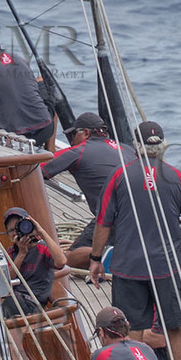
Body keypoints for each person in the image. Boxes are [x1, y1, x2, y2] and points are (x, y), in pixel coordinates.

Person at [88, 120, 181, 360]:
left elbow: (103, 222)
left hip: (128, 268)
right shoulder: (179, 179)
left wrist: (95, 259)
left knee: (131, 329)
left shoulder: (119, 176)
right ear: (163, 146)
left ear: (136, 146)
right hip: (168, 268)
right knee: (175, 327)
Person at [41, 111, 135, 267]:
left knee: (68, 258)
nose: (71, 141)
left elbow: (39, 169)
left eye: (73, 136)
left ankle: (116, 255)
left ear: (85, 133)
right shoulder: (127, 149)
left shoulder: (80, 151)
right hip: (144, 213)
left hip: (114, 217)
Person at [0, 30, 52, 148]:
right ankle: (50, 150)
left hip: (8, 137)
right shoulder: (20, 59)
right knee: (45, 97)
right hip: (43, 131)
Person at [3, 206, 67, 316]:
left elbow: (61, 262)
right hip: (16, 300)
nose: (16, 233)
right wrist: (21, 253)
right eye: (11, 230)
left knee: (10, 305)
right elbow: (8, 279)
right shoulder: (11, 253)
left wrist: (41, 232)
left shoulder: (41, 248)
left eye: (18, 228)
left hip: (33, 303)